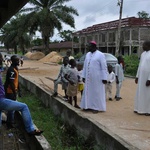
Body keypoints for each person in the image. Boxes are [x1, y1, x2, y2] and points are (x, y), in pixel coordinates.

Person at [80, 41, 107, 113]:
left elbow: (104, 67)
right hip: (88, 78)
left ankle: (96, 107)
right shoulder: (88, 54)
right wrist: (83, 75)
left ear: (94, 47)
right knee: (88, 92)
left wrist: (104, 77)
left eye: (90, 46)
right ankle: (87, 106)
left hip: (97, 78)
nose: (88, 48)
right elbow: (85, 66)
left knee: (96, 92)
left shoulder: (100, 55)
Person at [4, 55, 21, 128]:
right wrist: (15, 93)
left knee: (12, 107)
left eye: (18, 60)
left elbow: (16, 81)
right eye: (17, 60)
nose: (18, 62)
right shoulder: (11, 70)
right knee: (11, 108)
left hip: (13, 91)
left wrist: (19, 90)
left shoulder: (16, 68)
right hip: (9, 91)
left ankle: (10, 122)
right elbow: (11, 83)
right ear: (13, 61)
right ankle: (9, 124)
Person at [134, 41, 150, 115]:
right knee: (140, 93)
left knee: (147, 94)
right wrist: (137, 76)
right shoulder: (143, 54)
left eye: (144, 45)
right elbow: (140, 66)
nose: (142, 46)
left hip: (147, 78)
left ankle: (148, 111)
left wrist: (149, 79)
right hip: (141, 77)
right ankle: (139, 108)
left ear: (148, 45)